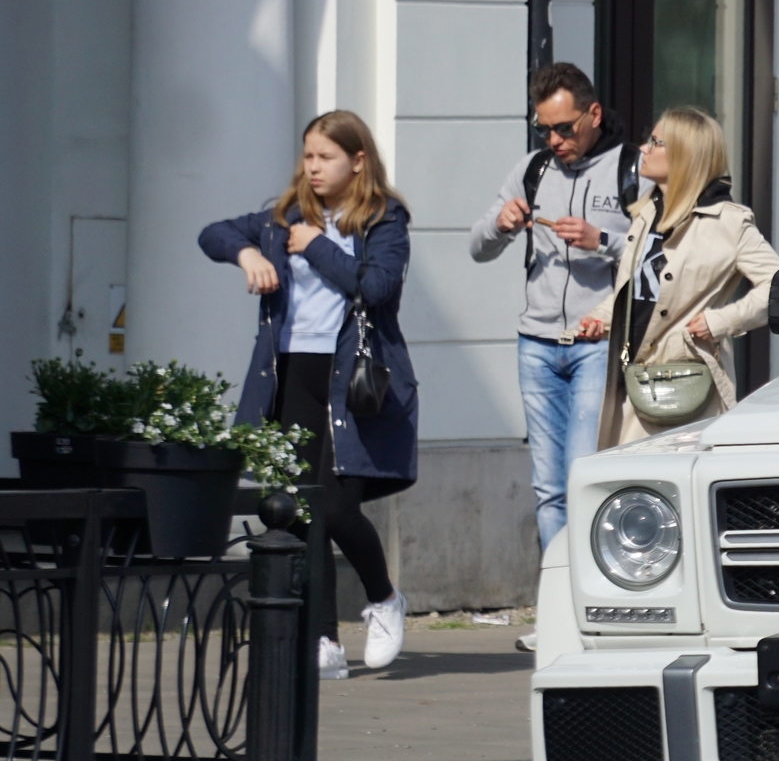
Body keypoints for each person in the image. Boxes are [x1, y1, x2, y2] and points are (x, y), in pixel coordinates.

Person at [200, 111, 418, 677]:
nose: (313, 167)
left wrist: (318, 246)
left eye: (325, 157)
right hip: (292, 371)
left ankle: (384, 598)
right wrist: (247, 254)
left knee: (339, 507)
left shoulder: (383, 218)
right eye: (308, 156)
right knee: (299, 511)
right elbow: (214, 233)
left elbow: (377, 287)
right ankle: (323, 641)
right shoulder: (284, 216)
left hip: (350, 376)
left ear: (358, 161)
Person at [470, 62, 635, 651]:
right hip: (536, 344)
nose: (555, 142)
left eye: (564, 128)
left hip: (595, 346)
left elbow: (663, 257)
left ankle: (594, 610)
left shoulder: (632, 170)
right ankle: (560, 613)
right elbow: (477, 246)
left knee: (583, 478)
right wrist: (502, 222)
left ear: (592, 115)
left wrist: (603, 241)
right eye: (545, 129)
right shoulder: (533, 170)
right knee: (547, 488)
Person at [577, 106, 779, 447]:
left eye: (655, 142)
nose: (643, 148)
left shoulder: (728, 222)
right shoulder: (647, 214)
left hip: (687, 388)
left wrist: (721, 321)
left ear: (685, 155)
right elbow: (636, 293)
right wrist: (600, 318)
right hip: (633, 383)